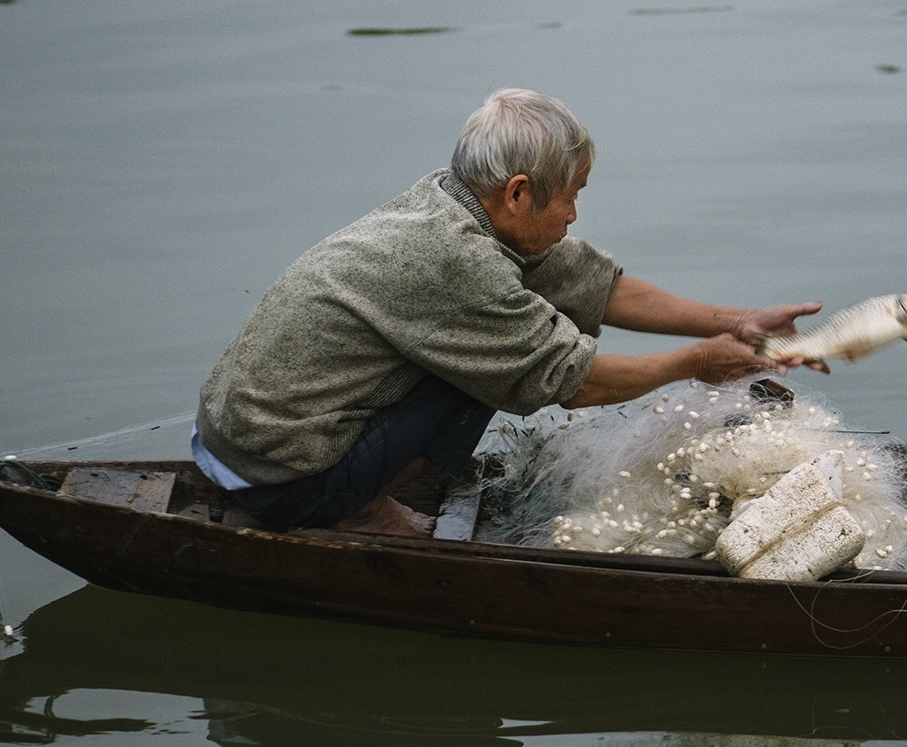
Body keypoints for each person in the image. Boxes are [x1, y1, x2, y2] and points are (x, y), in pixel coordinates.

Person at [192, 88, 820, 537]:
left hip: (233, 444)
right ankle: (355, 508)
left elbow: (596, 288)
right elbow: (572, 382)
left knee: (511, 340)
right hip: (280, 478)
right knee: (503, 366)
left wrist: (734, 324)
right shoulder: (453, 260)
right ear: (519, 192)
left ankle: (358, 492)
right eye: (570, 198)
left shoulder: (452, 199)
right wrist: (695, 363)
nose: (573, 215)